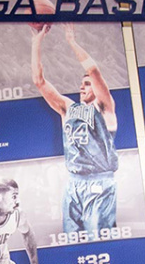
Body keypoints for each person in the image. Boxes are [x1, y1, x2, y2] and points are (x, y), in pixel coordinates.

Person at [32, 23, 119, 233]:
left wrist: (71, 42)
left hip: (100, 182)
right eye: (82, 83)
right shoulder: (67, 109)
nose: (82, 86)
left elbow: (93, 70)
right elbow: (39, 81)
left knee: (100, 242)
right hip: (74, 184)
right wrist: (36, 42)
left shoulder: (104, 107)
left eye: (87, 84)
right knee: (72, 244)